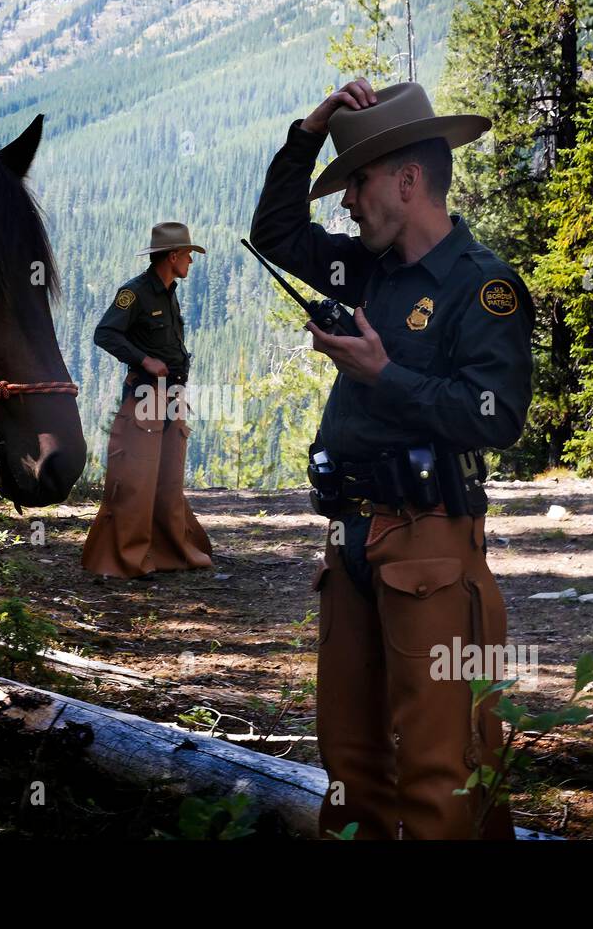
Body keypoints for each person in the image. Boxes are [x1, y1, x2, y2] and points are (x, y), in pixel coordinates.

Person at [250, 78, 535, 839]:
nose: (344, 202)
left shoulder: (484, 286)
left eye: (358, 182)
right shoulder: (362, 269)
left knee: (443, 772)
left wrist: (384, 374)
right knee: (350, 765)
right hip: (349, 545)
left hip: (433, 549)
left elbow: (498, 414)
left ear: (408, 181)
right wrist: (309, 129)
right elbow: (275, 232)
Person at [81, 221, 213, 578]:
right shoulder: (135, 293)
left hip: (172, 395)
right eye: (188, 254)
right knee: (137, 480)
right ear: (172, 256)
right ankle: (126, 559)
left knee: (168, 478)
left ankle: (168, 552)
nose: (191, 261)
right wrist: (143, 360)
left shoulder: (168, 291)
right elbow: (105, 333)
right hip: (145, 396)